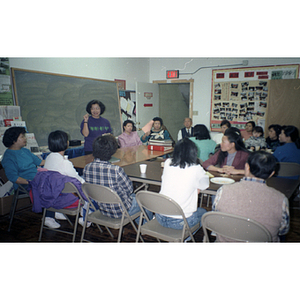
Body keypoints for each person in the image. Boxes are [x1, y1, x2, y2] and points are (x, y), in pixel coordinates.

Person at [212, 151, 290, 242]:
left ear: (246, 167)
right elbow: (283, 230)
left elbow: (215, 218)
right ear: (272, 173)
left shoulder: (223, 190)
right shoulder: (281, 199)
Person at [1, 127, 61, 229]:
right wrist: (31, 182)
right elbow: (14, 178)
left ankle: (53, 209)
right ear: (13, 140)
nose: (25, 138)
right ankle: (48, 217)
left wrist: (57, 158)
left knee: (57, 180)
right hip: (23, 184)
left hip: (36, 178)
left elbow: (40, 162)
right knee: (47, 186)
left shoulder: (25, 151)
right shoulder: (8, 157)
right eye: (22, 136)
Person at [83, 134, 152, 221]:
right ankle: (147, 224)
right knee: (144, 201)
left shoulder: (87, 168)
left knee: (135, 198)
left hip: (102, 209)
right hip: (121, 211)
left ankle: (139, 222)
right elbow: (129, 190)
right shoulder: (115, 170)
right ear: (112, 151)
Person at [156, 138, 209, 230]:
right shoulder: (196, 168)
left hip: (160, 217)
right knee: (204, 213)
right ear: (194, 152)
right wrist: (197, 188)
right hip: (180, 222)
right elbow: (205, 185)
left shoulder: (168, 162)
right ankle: (184, 238)